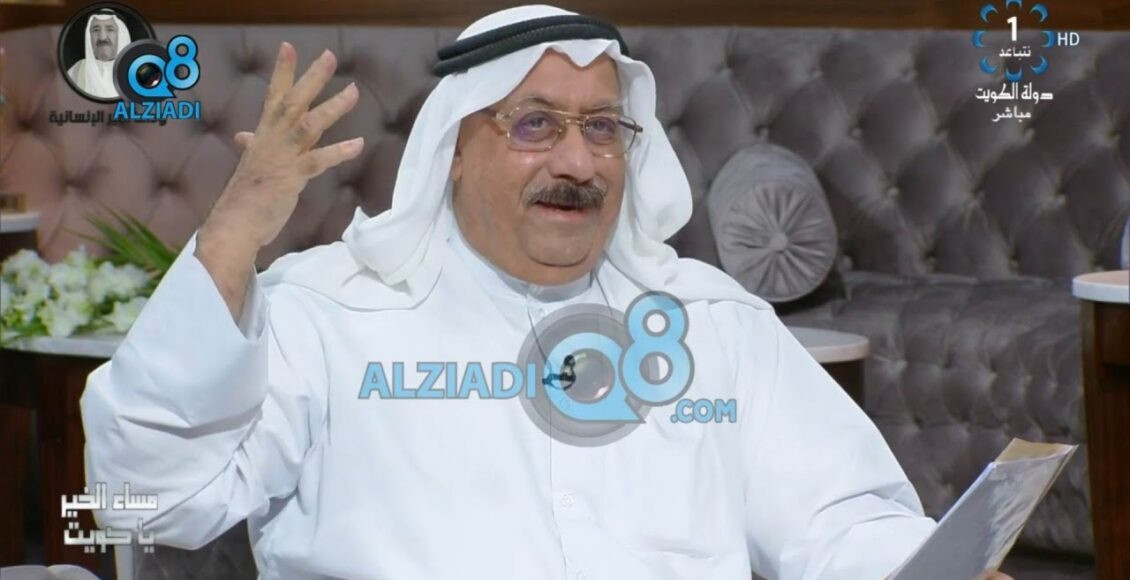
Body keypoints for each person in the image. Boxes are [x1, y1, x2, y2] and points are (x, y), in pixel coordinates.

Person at [80, 5, 1012, 579]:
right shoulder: (326, 315)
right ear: (454, 149)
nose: (578, 161)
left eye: (603, 129)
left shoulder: (711, 324)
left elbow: (837, 521)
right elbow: (149, 500)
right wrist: (231, 237)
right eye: (535, 125)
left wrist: (933, 568)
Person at [65, 9, 131, 99]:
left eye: (110, 29)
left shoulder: (136, 71)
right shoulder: (77, 70)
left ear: (122, 35)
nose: (102, 37)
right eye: (96, 30)